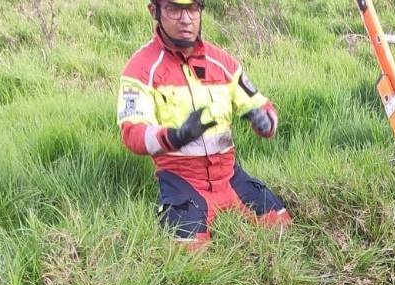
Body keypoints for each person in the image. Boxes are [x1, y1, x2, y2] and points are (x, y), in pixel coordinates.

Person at [117, 0, 291, 248]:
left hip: (230, 176)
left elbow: (260, 103)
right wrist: (175, 137)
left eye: (193, 9)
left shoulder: (223, 62)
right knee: (190, 256)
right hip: (182, 179)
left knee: (283, 228)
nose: (185, 19)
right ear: (154, 11)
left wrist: (266, 121)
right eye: (174, 9)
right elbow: (132, 132)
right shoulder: (141, 68)